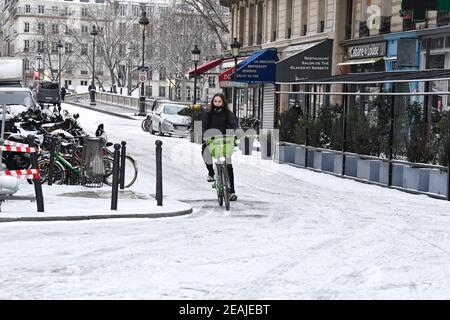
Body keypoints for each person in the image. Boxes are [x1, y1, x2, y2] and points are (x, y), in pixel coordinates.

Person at [202, 93, 238, 201]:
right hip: (211, 140)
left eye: (219, 101)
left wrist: (237, 131)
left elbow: (233, 123)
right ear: (212, 102)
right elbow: (204, 125)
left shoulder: (228, 113)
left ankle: (231, 192)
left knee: (228, 165)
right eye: (215, 101)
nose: (217, 103)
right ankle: (211, 173)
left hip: (224, 140)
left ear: (223, 102)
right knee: (205, 152)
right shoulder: (208, 113)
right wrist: (203, 136)